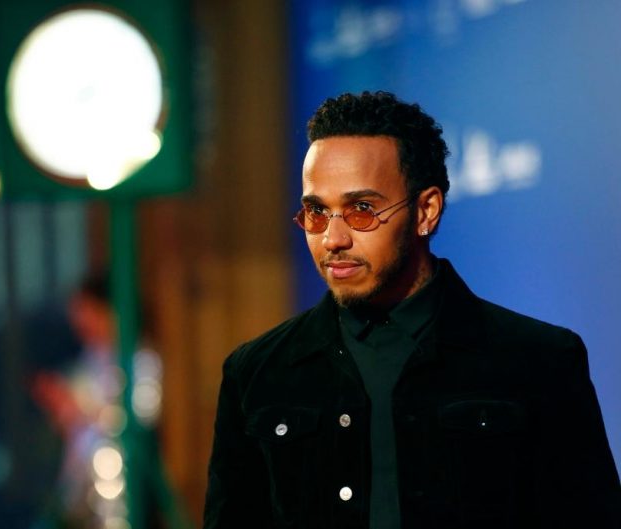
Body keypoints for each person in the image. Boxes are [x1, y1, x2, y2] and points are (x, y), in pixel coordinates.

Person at [203, 91, 621, 529]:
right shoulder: (256, 373)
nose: (332, 239)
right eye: (317, 211)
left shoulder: (541, 361)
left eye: (362, 209)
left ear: (426, 211)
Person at [32, 274, 164, 529]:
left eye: (88, 312)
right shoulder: (91, 357)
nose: (80, 321)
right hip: (79, 485)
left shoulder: (141, 359)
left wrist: (82, 410)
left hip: (118, 485)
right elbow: (74, 421)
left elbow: (141, 416)